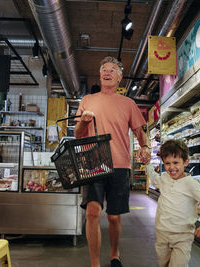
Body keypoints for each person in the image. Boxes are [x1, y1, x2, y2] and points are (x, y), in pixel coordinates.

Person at [74, 56, 151, 267]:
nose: (107, 72)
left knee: (114, 217)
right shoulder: (87, 101)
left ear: (120, 77)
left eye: (112, 70)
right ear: (100, 75)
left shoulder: (128, 103)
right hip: (93, 163)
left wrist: (145, 147)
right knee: (92, 213)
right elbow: (78, 134)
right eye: (104, 69)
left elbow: (139, 130)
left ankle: (115, 254)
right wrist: (83, 122)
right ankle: (95, 263)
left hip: (119, 164)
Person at [145, 140, 200, 267]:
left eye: (176, 162)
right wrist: (147, 165)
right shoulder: (164, 178)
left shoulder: (191, 184)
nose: (171, 167)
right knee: (163, 263)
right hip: (162, 233)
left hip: (183, 236)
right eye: (167, 163)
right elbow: (155, 180)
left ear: (186, 162)